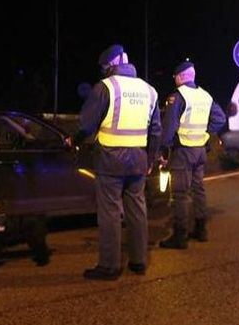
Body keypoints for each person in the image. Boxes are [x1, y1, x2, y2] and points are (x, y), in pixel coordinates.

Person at [73, 44, 161, 280]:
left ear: (110, 65)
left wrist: (75, 140)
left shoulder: (105, 88)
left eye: (104, 67)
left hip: (110, 161)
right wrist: (150, 158)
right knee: (137, 210)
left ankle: (109, 266)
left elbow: (87, 124)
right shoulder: (149, 91)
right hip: (139, 160)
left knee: (110, 212)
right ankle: (139, 262)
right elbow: (156, 130)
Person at [158, 61, 226, 249]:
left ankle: (180, 237)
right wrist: (205, 133)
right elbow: (220, 119)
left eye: (175, 77)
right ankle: (201, 230)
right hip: (200, 151)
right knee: (198, 190)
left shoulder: (178, 96)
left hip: (183, 151)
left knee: (180, 194)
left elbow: (169, 127)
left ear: (180, 76)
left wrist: (163, 150)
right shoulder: (205, 95)